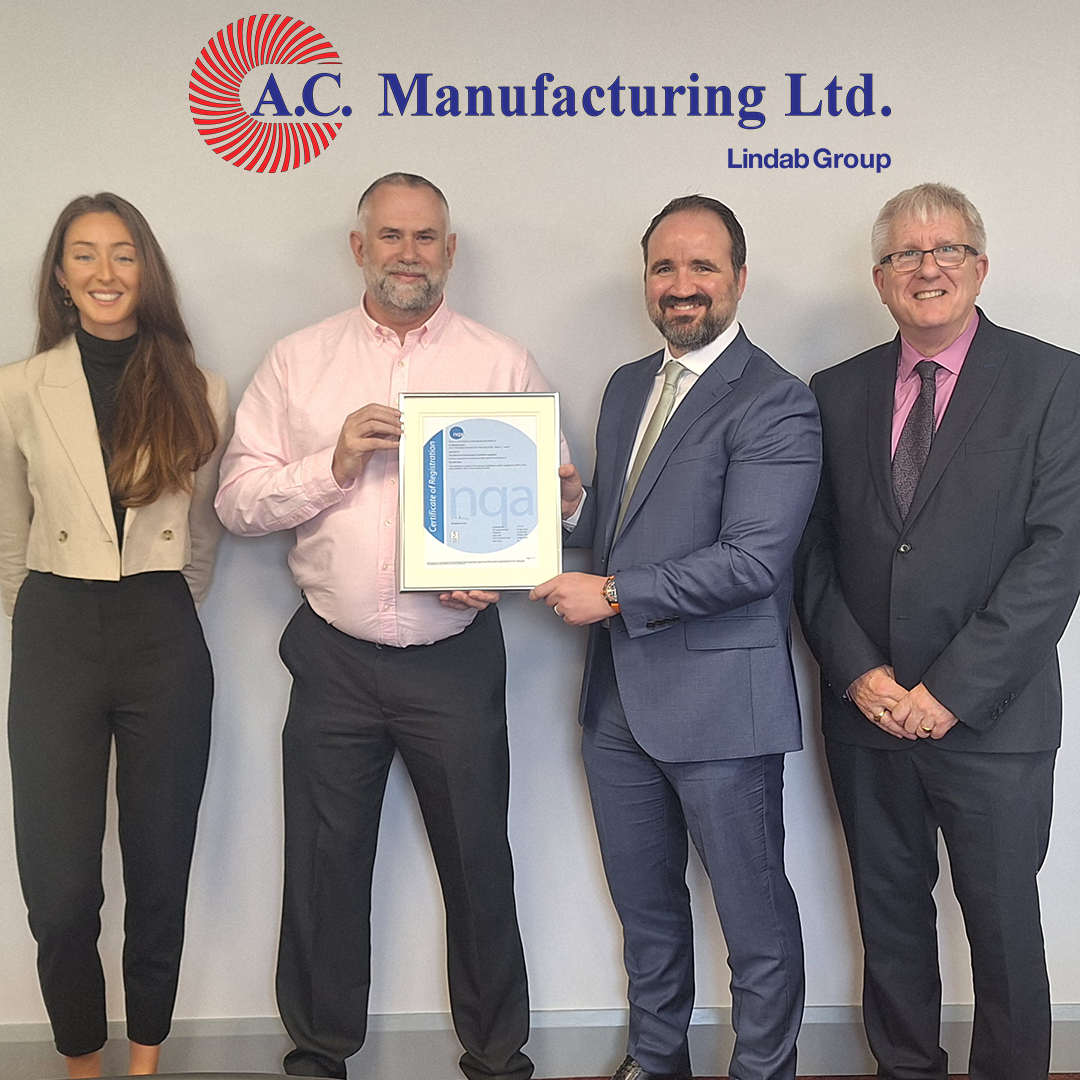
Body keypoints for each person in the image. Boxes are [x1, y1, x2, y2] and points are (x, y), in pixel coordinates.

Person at [215, 172, 560, 1080]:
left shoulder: (501, 363)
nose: (409, 253)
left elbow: (554, 501)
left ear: (449, 252)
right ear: (359, 247)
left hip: (454, 663)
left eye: (427, 238)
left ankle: (497, 1058)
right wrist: (330, 464)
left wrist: (509, 559)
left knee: (480, 863)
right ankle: (319, 1055)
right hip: (333, 658)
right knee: (325, 871)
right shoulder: (298, 361)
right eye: (392, 236)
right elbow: (238, 503)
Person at [531, 195, 820, 1080]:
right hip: (618, 705)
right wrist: (569, 519)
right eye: (665, 267)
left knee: (753, 921)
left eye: (702, 267)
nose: (682, 285)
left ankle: (762, 1072)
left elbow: (751, 562)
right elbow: (622, 532)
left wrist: (613, 592)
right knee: (648, 915)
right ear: (646, 279)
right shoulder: (627, 386)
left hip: (721, 709)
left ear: (739, 277)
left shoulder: (776, 402)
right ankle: (657, 1063)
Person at [795, 182, 1080, 1080]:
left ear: (980, 266)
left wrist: (951, 692)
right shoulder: (833, 393)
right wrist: (859, 674)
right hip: (868, 720)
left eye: (947, 250)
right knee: (891, 927)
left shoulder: (1055, 381)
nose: (929, 267)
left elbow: (1058, 555)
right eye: (907, 255)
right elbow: (812, 556)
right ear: (880, 279)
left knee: (1001, 933)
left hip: (992, 721)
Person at [0, 193, 229, 1078]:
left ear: (147, 270)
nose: (105, 273)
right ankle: (80, 1061)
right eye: (85, 256)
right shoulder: (19, 387)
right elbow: (11, 534)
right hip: (56, 626)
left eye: (123, 254)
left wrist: (158, 603)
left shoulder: (197, 384)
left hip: (161, 627)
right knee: (59, 890)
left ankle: (144, 1062)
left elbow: (201, 534)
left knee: (159, 863)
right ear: (59, 276)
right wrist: (51, 614)